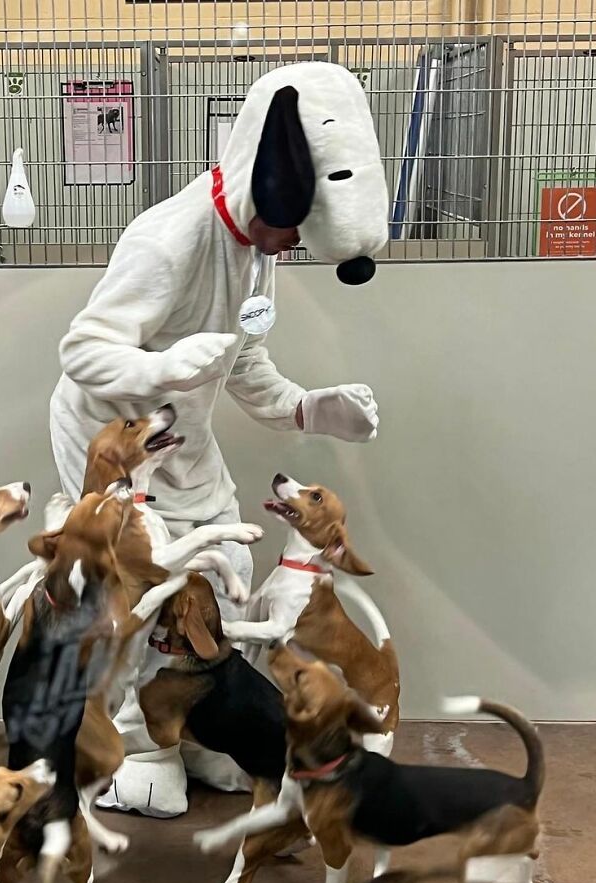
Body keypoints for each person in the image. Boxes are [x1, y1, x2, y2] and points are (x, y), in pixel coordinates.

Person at [49, 61, 390, 817]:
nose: (294, 245)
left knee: (227, 567)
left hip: (186, 438)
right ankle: (140, 747)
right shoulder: (166, 242)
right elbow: (81, 350)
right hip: (115, 440)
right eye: (294, 229)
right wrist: (163, 363)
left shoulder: (257, 255)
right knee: (147, 593)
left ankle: (197, 730)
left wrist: (309, 408)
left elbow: (245, 362)